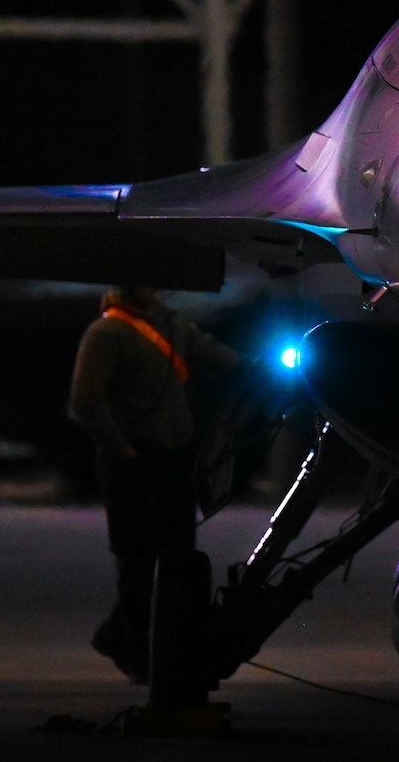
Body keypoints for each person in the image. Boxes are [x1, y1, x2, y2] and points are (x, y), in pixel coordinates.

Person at [70, 285, 239, 689]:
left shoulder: (173, 326)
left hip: (171, 458)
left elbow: (220, 359)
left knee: (177, 557)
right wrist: (122, 450)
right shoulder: (107, 333)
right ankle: (135, 651)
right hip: (131, 462)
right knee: (137, 561)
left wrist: (269, 366)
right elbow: (85, 400)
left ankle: (124, 638)